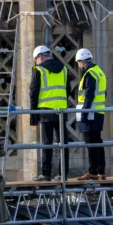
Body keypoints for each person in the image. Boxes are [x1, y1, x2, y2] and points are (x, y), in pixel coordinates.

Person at [29, 45, 70, 181]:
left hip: (46, 111)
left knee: (47, 144)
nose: (36, 62)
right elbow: (68, 90)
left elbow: (33, 93)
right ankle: (63, 174)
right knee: (63, 144)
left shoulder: (39, 70)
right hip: (61, 111)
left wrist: (33, 114)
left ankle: (46, 174)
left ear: (40, 57)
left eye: (36, 59)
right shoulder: (63, 69)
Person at [74, 48, 107, 181]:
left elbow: (89, 95)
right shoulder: (99, 72)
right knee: (97, 141)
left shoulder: (89, 74)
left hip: (90, 112)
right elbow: (104, 93)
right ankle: (101, 171)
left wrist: (84, 113)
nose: (78, 65)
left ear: (81, 62)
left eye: (78, 63)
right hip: (99, 111)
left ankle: (93, 171)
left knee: (91, 142)